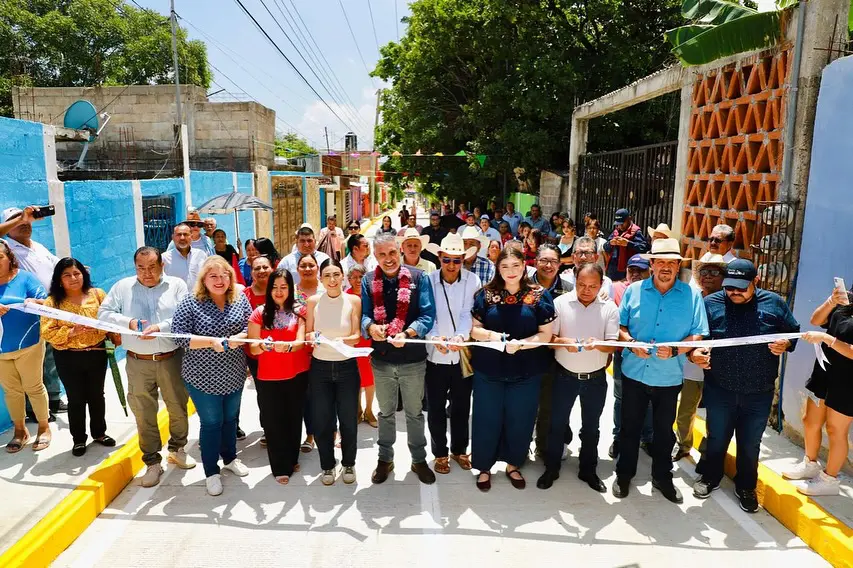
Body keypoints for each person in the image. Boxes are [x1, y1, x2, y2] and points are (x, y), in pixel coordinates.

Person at [691, 259, 800, 512]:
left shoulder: (775, 304)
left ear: (756, 282)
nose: (734, 293)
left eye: (741, 288)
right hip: (720, 388)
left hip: (759, 392)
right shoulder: (710, 304)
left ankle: (746, 486)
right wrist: (696, 352)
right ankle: (710, 477)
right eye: (730, 287)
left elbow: (793, 333)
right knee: (717, 437)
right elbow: (697, 337)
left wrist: (785, 344)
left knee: (750, 444)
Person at [614, 238, 708, 504]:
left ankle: (662, 478)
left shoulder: (691, 296)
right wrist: (631, 343)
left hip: (668, 377)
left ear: (678, 266)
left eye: (672, 262)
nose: (665, 267)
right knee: (629, 428)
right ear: (651, 264)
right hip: (634, 373)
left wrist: (677, 350)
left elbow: (698, 334)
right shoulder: (634, 291)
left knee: (663, 431)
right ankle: (624, 475)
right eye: (660, 262)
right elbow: (621, 329)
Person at [99, 247, 195, 487]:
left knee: (178, 407)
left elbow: (186, 316)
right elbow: (103, 313)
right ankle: (152, 462)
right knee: (144, 414)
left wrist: (159, 327)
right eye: (141, 268)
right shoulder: (122, 287)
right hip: (137, 361)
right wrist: (128, 322)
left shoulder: (177, 286)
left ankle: (178, 448)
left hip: (171, 358)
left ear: (162, 265)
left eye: (152, 267)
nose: (146, 273)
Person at [469, 247, 555, 491]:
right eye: (504, 266)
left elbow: (545, 335)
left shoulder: (539, 295)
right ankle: (484, 467)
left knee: (521, 418)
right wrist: (493, 336)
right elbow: (474, 330)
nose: (510, 272)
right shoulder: (486, 295)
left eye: (515, 266)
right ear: (498, 268)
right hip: (489, 370)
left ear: (524, 266)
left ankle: (513, 464)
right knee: (487, 418)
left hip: (527, 370)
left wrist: (523, 345)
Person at [171, 256, 252, 496]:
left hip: (234, 372)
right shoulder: (190, 302)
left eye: (224, 275)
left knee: (230, 420)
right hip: (202, 377)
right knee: (211, 423)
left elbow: (252, 327)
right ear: (203, 279)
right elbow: (179, 337)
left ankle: (229, 458)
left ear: (231, 277)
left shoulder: (239, 298)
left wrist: (241, 337)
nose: (219, 280)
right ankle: (211, 472)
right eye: (213, 276)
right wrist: (209, 342)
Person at [361, 232, 437, 485]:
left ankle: (418, 460)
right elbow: (364, 316)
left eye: (392, 253)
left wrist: (409, 332)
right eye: (381, 254)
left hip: (413, 360)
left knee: (415, 413)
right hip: (381, 360)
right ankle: (385, 459)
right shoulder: (368, 280)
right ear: (375, 256)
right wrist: (371, 328)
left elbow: (427, 315)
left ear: (400, 251)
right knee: (385, 413)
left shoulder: (418, 277)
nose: (388, 259)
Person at [538, 264, 619, 492]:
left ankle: (588, 470)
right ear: (575, 280)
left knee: (591, 427)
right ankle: (551, 467)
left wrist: (599, 345)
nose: (586, 290)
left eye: (593, 286)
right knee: (556, 424)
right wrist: (564, 342)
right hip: (564, 376)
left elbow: (612, 345)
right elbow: (549, 338)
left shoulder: (609, 308)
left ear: (601, 284)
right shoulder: (560, 303)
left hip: (595, 379)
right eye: (582, 285)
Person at [41, 258, 117, 456]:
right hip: (68, 358)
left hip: (96, 353)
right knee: (76, 399)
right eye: (67, 275)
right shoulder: (52, 302)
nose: (73, 278)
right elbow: (46, 332)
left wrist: (111, 333)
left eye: (77, 273)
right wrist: (71, 332)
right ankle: (79, 439)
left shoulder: (98, 294)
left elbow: (111, 318)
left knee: (97, 396)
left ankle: (99, 433)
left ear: (84, 274)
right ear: (59, 280)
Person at [787, 284, 853, 496]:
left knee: (836, 429)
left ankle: (830, 480)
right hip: (825, 370)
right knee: (810, 420)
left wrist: (827, 339)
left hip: (848, 380)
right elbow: (816, 320)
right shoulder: (847, 300)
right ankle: (810, 463)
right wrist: (832, 301)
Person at [0, 206, 64, 420]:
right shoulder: (7, 246)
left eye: (28, 220)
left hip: (46, 305)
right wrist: (21, 218)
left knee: (50, 358)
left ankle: (53, 399)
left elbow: (56, 265)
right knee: (30, 367)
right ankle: (34, 410)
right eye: (17, 220)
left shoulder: (37, 246)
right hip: (23, 314)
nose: (25, 223)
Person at [247, 268, 310, 484]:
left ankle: (292, 458)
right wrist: (265, 346)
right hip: (269, 377)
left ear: (291, 289)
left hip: (297, 373)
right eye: (274, 287)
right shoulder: (259, 313)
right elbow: (253, 348)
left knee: (294, 419)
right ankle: (280, 466)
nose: (279, 292)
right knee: (274, 423)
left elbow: (301, 342)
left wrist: (289, 348)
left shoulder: (299, 312)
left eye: (284, 287)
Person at [424, 234, 480, 474]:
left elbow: (469, 313)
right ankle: (439, 454)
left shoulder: (473, 280)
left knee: (460, 407)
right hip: (434, 356)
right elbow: (428, 314)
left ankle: (459, 450)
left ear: (463, 260)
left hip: (461, 355)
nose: (451, 265)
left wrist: (460, 336)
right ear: (439, 258)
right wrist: (435, 336)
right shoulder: (428, 281)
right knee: (435, 408)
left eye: (456, 260)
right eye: (447, 259)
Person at [305, 259, 363, 486]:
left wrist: (339, 340)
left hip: (347, 367)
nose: (332, 279)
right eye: (327, 275)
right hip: (320, 369)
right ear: (321, 278)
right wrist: (313, 338)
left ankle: (349, 462)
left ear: (343, 277)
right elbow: (308, 333)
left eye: (336, 274)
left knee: (348, 419)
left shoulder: (353, 301)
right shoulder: (313, 301)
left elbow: (356, 335)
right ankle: (327, 465)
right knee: (322, 420)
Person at [672, 254, 727, 462]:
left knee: (716, 416)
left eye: (714, 272)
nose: (708, 276)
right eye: (704, 272)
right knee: (685, 411)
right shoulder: (691, 299)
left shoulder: (729, 301)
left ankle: (707, 453)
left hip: (720, 369)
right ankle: (684, 445)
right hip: (691, 366)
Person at [0, 240, 51, 453]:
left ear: (9, 258)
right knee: (11, 391)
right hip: (1, 351)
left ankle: (44, 427)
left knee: (34, 387)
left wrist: (33, 303)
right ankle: (20, 431)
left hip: (28, 345)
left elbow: (47, 303)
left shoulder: (24, 278)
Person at [609, 254, 653, 460]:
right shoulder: (617, 288)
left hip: (652, 355)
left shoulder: (656, 291)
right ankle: (618, 437)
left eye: (640, 270)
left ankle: (647, 437)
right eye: (631, 270)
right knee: (621, 398)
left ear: (649, 271)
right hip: (624, 354)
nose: (635, 274)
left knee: (650, 400)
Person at [239, 254, 275, 441]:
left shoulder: (281, 290)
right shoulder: (244, 296)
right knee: (264, 394)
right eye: (256, 268)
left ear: (272, 268)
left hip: (280, 355)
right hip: (255, 357)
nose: (261, 271)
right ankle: (268, 429)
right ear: (251, 272)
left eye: (265, 267)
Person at [346, 265, 377, 428]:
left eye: (361, 276)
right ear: (349, 279)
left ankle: (369, 410)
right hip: (353, 342)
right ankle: (357, 410)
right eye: (354, 277)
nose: (358, 280)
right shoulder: (345, 296)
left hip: (370, 342)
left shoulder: (371, 295)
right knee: (355, 378)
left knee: (370, 378)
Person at [603, 208, 649, 281]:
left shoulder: (636, 232)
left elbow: (644, 248)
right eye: (618, 224)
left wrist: (628, 243)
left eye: (622, 223)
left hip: (628, 270)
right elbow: (605, 247)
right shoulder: (616, 232)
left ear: (629, 219)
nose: (620, 226)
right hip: (613, 270)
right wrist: (611, 243)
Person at [162, 223, 207, 288]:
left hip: (198, 297)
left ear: (191, 237)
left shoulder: (201, 255)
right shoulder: (164, 258)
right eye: (179, 235)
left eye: (185, 234)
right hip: (175, 297)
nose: (182, 238)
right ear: (173, 237)